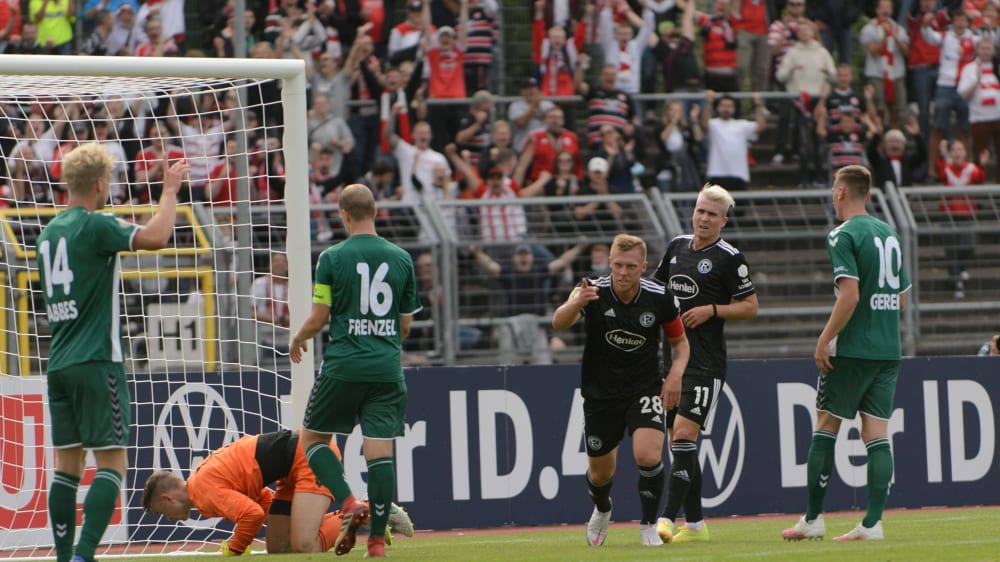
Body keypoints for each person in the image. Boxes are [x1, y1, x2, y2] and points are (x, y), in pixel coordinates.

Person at [37, 143, 189, 562]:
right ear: (101, 183)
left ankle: (65, 556)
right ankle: (86, 554)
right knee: (112, 465)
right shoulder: (95, 225)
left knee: (67, 468)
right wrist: (169, 191)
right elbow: (156, 237)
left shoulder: (48, 233)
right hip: (97, 360)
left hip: (60, 361)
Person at [289, 184, 422, 559]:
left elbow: (318, 319)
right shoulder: (402, 259)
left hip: (344, 366)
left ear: (343, 214)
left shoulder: (331, 257)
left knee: (312, 440)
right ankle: (376, 543)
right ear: (375, 211)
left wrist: (297, 338)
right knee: (380, 455)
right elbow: (406, 326)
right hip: (386, 369)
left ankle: (349, 505)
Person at [782, 165, 911, 542]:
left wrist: (825, 339)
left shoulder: (842, 234)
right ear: (867, 194)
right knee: (877, 435)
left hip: (853, 348)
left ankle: (813, 519)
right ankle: (872, 524)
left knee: (826, 427)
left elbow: (850, 295)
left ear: (840, 192)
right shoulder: (890, 232)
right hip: (889, 349)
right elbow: (902, 299)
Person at [551, 233, 690, 547]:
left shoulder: (660, 296)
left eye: (630, 266)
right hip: (600, 392)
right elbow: (558, 322)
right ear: (609, 263)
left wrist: (675, 375)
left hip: (644, 387)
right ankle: (602, 508)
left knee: (648, 454)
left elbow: (680, 344)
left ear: (643, 266)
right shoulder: (590, 290)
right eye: (617, 265)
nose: (623, 272)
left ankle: (648, 526)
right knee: (600, 473)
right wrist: (576, 302)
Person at [651, 183, 758, 544]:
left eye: (712, 214)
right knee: (679, 443)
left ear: (723, 221)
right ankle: (696, 526)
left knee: (683, 435)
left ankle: (665, 520)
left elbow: (750, 306)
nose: (703, 218)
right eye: (700, 210)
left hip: (706, 364)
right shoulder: (677, 247)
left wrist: (712, 309)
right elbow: (657, 291)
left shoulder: (729, 258)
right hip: (673, 364)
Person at [142, 429, 414, 556]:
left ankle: (369, 508)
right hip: (291, 468)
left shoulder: (203, 492)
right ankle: (354, 515)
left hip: (307, 458)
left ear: (168, 498)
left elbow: (251, 514)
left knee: (304, 545)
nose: (168, 518)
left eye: (161, 512)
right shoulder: (201, 481)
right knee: (280, 548)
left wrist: (235, 549)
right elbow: (261, 500)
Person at [700, 90, 766, 193]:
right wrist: (709, 102)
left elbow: (761, 126)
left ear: (734, 108)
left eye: (729, 106)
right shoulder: (714, 124)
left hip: (739, 175)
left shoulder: (742, 125)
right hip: (716, 174)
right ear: (717, 108)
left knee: (739, 207)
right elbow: (704, 123)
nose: (726, 109)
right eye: (723, 105)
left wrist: (758, 104)